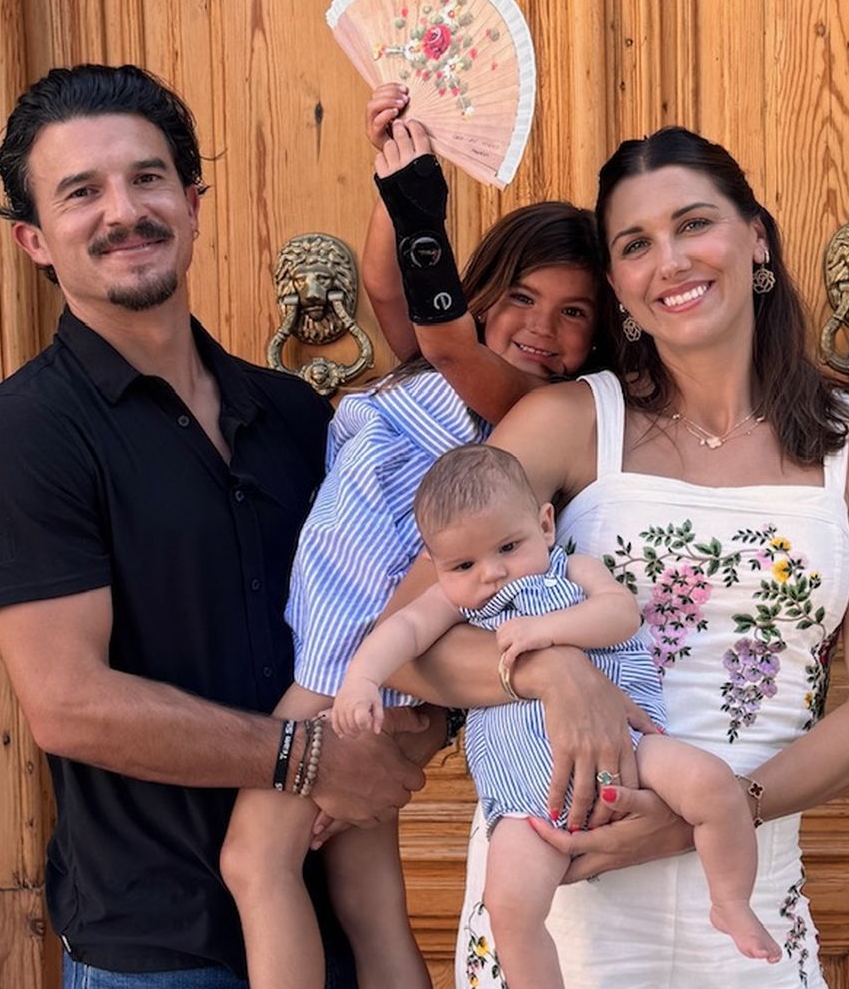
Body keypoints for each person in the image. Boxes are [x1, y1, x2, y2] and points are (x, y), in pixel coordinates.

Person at [385, 127, 849, 988]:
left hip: (746, 900)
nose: (670, 262)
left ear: (755, 236)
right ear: (618, 286)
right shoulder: (570, 424)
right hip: (563, 908)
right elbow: (409, 641)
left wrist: (697, 822)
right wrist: (553, 676)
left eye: (694, 225)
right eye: (636, 244)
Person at [0, 63, 442, 988]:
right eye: (80, 192)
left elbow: (404, 602)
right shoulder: (21, 438)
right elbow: (68, 703)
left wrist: (413, 735)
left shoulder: (294, 412)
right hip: (160, 947)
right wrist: (308, 760)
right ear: (34, 240)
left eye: (146, 178)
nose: (122, 211)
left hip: (339, 919)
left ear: (193, 200)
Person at [219, 86, 612, 989]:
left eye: (574, 314)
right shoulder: (439, 359)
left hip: (352, 651)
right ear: (484, 290)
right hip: (345, 649)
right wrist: (397, 167)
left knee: (255, 860)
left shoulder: (520, 403)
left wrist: (422, 201)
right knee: (366, 901)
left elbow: (442, 342)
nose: (541, 330)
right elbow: (391, 285)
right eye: (521, 298)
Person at [332, 443, 782, 986]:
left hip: (631, 747)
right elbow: (401, 632)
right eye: (463, 564)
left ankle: (730, 900)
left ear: (545, 525)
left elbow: (619, 615)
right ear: (435, 565)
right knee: (509, 907)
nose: (492, 573)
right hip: (528, 796)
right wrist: (361, 679)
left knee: (714, 787)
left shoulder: (574, 572)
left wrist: (548, 635)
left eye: (508, 546)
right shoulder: (456, 605)